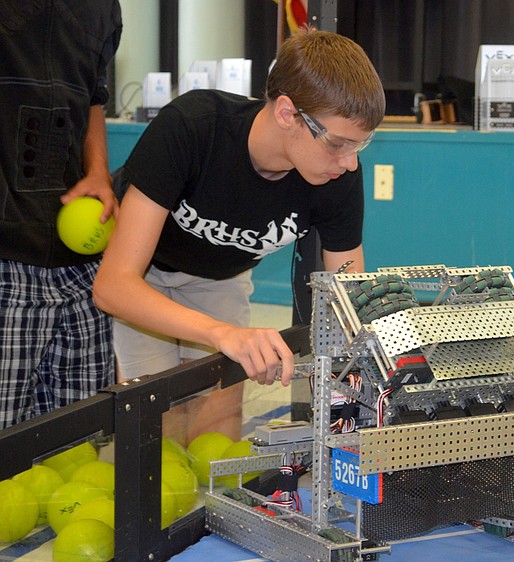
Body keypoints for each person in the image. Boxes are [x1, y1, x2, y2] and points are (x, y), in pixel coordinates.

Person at [93, 28, 385, 442]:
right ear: (287, 113)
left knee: (218, 427)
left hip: (222, 278)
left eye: (362, 144)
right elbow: (113, 285)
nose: (351, 163)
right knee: (158, 426)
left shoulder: (338, 177)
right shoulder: (192, 128)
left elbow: (348, 298)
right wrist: (221, 333)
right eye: (338, 143)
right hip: (146, 276)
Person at [0, 1, 122, 429]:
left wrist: (98, 174)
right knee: (7, 431)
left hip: (78, 254)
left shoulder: (102, 9)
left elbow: (93, 100)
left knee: (83, 429)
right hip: (8, 258)